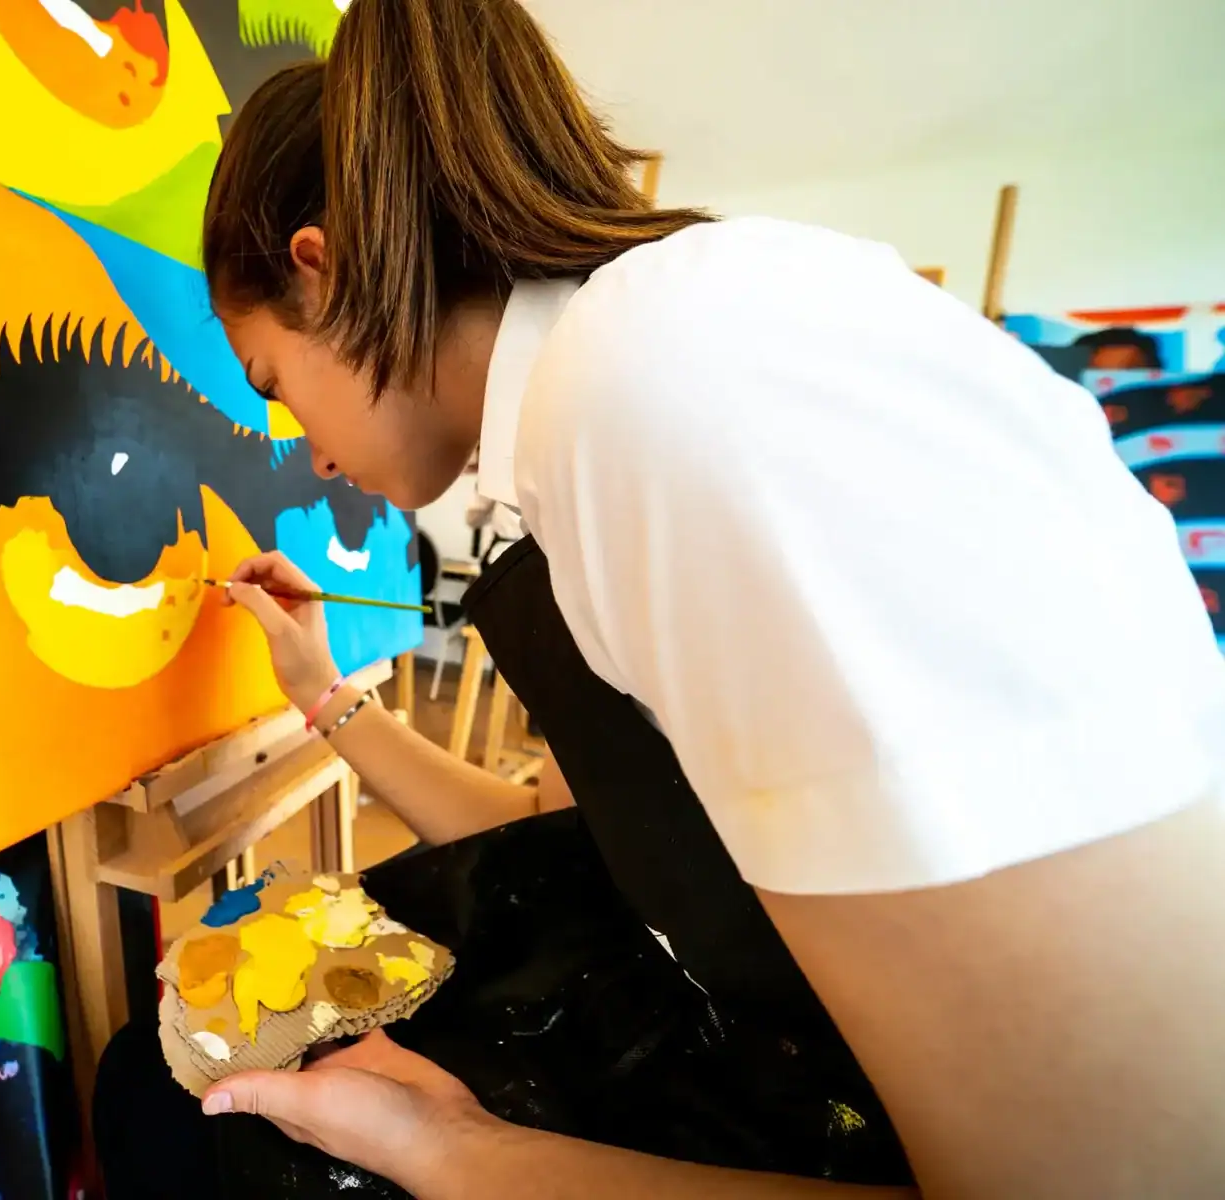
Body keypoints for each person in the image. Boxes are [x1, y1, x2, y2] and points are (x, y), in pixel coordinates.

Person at [197, 0, 1225, 1195]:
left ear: (318, 278)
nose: (308, 453)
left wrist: (452, 1153)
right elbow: (584, 841)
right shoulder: (620, 377)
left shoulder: (657, 382)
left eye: (274, 384)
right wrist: (323, 699)